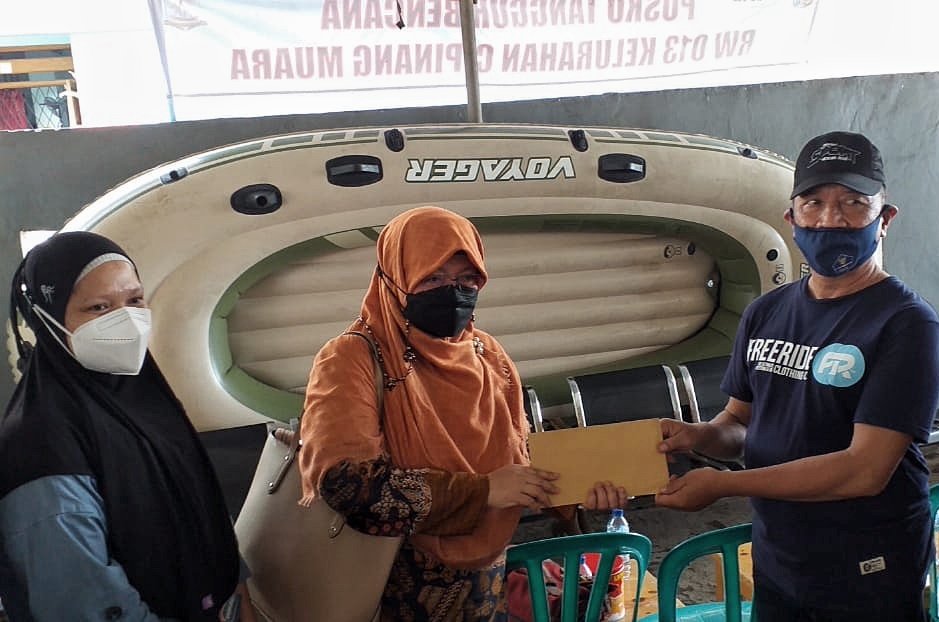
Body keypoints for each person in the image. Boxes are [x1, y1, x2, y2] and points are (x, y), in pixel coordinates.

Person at [655, 131, 939, 621]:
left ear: (885, 219)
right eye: (814, 203)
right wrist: (700, 436)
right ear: (792, 219)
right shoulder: (766, 312)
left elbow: (864, 470)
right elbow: (740, 425)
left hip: (867, 562)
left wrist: (724, 486)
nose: (831, 219)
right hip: (779, 555)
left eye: (853, 203)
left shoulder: (906, 324)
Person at [298, 206, 627, 621]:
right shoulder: (352, 358)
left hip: (485, 584)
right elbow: (347, 484)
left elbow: (519, 459)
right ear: (395, 279)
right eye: (432, 278)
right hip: (386, 586)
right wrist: (483, 491)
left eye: (466, 279)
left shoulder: (488, 355)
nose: (452, 292)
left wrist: (581, 489)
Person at [0, 231, 253, 621]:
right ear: (47, 321)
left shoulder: (145, 397)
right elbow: (79, 599)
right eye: (98, 307)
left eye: (134, 300)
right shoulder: (40, 442)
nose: (127, 320)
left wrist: (234, 583)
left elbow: (199, 498)